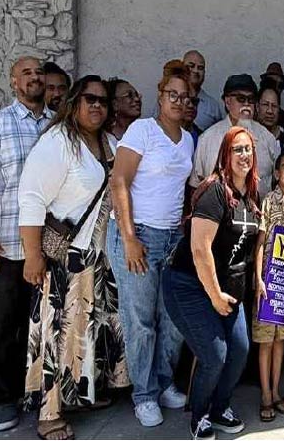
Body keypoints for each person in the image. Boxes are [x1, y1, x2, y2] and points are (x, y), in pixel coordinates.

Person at [18, 75, 127, 440]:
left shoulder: (109, 143)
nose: (97, 106)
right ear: (74, 101)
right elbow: (31, 198)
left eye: (103, 101)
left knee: (87, 333)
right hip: (65, 257)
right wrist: (32, 256)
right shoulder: (58, 141)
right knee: (56, 335)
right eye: (89, 98)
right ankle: (48, 415)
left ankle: (82, 394)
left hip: (97, 257)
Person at [0, 55, 53, 431]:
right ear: (14, 82)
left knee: (40, 328)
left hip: (48, 249)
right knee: (2, 328)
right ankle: (3, 399)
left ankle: (35, 392)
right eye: (26, 73)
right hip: (4, 246)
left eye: (39, 73)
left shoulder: (57, 125)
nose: (34, 78)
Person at [107, 60, 195, 427]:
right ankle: (143, 394)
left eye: (185, 97)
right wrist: (129, 238)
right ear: (160, 95)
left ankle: (163, 381)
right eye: (172, 94)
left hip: (172, 238)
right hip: (138, 234)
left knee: (172, 317)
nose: (179, 101)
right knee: (140, 320)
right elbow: (119, 181)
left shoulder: (187, 139)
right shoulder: (142, 130)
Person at [164, 126, 259, 438]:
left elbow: (251, 244)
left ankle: (220, 407)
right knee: (214, 354)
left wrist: (255, 280)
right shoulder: (215, 191)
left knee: (240, 350)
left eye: (248, 149)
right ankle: (200, 414)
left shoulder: (251, 194)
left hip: (227, 288)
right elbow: (199, 249)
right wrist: (215, 295)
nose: (244, 155)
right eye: (237, 149)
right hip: (189, 285)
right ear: (225, 155)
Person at [253, 152, 284, 422]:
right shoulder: (268, 201)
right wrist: (259, 279)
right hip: (267, 281)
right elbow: (260, 243)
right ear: (276, 173)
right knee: (265, 341)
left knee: (280, 339)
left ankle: (275, 390)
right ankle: (264, 395)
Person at [191, 74, 281, 192]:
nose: (247, 104)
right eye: (241, 99)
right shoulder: (207, 139)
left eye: (251, 99)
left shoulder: (267, 138)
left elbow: (278, 182)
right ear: (227, 102)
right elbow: (195, 187)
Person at [183, 49, 225, 131]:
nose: (196, 71)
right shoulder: (171, 99)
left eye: (200, 68)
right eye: (191, 66)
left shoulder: (213, 106)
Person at [257, 85, 284, 154]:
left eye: (274, 106)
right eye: (265, 105)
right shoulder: (249, 135)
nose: (270, 111)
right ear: (257, 107)